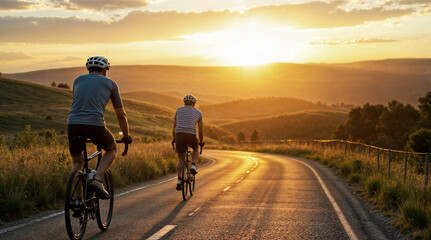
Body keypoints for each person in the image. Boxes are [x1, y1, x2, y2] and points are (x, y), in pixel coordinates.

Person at [67, 56, 131, 199]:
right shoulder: (111, 84)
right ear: (104, 70)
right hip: (94, 124)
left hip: (73, 124)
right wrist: (126, 136)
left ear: (89, 69)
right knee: (111, 148)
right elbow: (121, 115)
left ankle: (78, 201)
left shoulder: (77, 80)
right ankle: (97, 180)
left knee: (77, 162)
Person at [173, 94, 205, 190]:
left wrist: (174, 139)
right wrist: (201, 141)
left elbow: (174, 127)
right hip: (191, 135)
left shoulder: (178, 110)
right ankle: (193, 165)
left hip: (179, 135)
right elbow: (201, 130)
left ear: (184, 103)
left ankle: (179, 179)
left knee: (181, 158)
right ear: (194, 104)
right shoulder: (198, 113)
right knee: (195, 148)